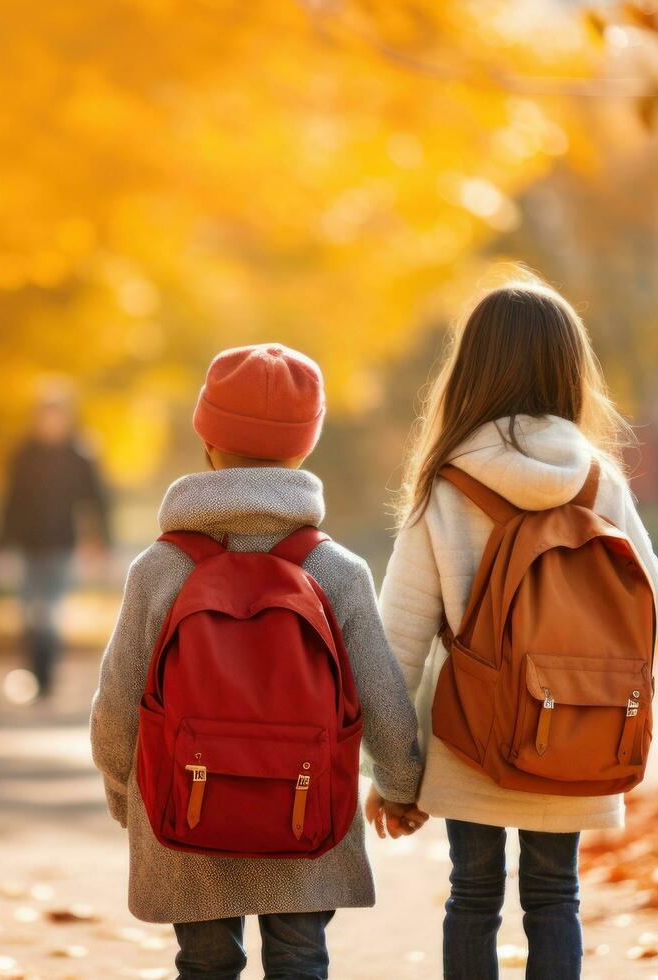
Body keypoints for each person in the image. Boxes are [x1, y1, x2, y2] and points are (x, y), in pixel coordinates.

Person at [89, 343, 423, 980]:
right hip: (305, 812)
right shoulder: (336, 570)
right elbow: (384, 702)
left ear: (207, 443)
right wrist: (401, 788)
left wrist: (126, 793)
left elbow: (116, 704)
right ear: (304, 449)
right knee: (300, 960)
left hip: (186, 807)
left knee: (204, 963)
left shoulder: (159, 569)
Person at [372, 277, 658, 980]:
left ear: (470, 370)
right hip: (575, 728)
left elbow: (397, 642)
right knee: (554, 898)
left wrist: (392, 773)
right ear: (570, 369)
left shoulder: (447, 484)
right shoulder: (598, 482)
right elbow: (652, 605)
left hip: (468, 738)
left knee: (471, 897)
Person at [1, 386, 111, 701]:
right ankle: (34, 671)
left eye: (57, 416)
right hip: (28, 545)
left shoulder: (79, 455)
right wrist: (5, 544)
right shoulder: (23, 454)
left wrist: (98, 541)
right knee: (28, 611)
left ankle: (45, 678)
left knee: (51, 611)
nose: (52, 423)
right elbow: (11, 502)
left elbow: (96, 501)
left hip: (62, 544)